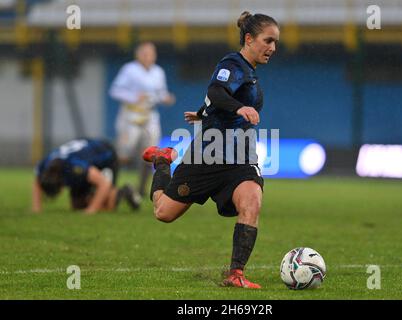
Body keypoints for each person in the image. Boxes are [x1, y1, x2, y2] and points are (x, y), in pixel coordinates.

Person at [142, 12, 279, 289]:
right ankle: (161, 161)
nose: (272, 48)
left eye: (275, 42)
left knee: (251, 201)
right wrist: (238, 107)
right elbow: (217, 91)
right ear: (249, 38)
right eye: (268, 40)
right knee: (163, 212)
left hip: (239, 158)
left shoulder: (249, 73)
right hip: (206, 155)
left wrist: (203, 113)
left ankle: (236, 274)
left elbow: (216, 98)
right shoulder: (232, 62)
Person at [109, 42, 176, 196]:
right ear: (138, 54)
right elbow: (115, 90)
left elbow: (160, 93)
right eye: (145, 53)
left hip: (150, 115)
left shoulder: (158, 72)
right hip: (130, 116)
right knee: (124, 155)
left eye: (151, 53)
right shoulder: (129, 69)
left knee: (151, 153)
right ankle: (112, 187)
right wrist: (133, 97)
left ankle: (142, 189)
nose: (148, 56)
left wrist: (166, 98)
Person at [32, 138, 141, 214]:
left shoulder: (74, 166)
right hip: (86, 156)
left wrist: (91, 209)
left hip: (106, 155)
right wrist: (36, 207)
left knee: (108, 205)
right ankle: (92, 197)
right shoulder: (46, 165)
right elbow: (37, 179)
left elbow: (103, 184)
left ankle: (124, 192)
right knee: (77, 206)